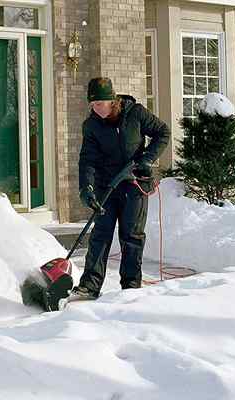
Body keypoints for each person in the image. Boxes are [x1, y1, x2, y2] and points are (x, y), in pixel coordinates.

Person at [72, 77, 171, 299]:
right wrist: (86, 188)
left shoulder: (135, 113)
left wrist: (147, 159)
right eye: (92, 105)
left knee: (131, 235)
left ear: (111, 100)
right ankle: (90, 285)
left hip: (134, 184)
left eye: (99, 104)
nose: (96, 109)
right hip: (106, 186)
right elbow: (87, 160)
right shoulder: (91, 126)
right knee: (100, 234)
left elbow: (163, 132)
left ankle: (131, 286)